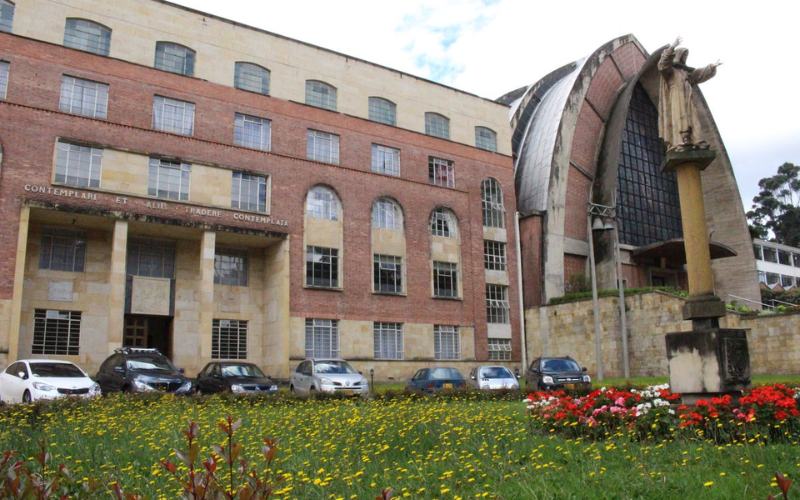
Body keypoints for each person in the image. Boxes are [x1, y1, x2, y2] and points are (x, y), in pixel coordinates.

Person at [657, 37, 722, 151]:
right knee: (678, 117)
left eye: (685, 56)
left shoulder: (685, 72)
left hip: (687, 97)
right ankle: (681, 140)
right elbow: (662, 64)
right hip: (676, 97)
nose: (684, 58)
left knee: (693, 118)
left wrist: (711, 67)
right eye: (683, 55)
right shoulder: (670, 71)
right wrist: (672, 47)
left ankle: (696, 140)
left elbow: (699, 74)